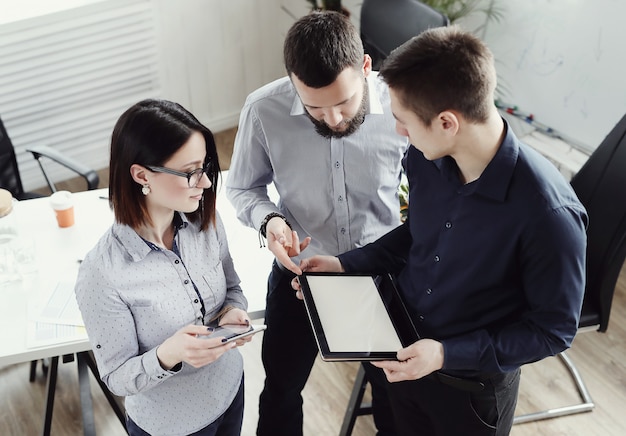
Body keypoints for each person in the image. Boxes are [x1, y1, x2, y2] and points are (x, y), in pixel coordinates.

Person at [293, 26, 588, 435]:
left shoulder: (549, 214)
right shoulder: (424, 155)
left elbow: (552, 331)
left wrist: (445, 354)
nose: (398, 131)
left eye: (403, 121)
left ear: (447, 122)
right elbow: (417, 234)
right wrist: (346, 264)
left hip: (468, 389)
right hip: (403, 353)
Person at [225, 11, 409, 436]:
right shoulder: (263, 110)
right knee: (281, 390)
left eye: (344, 102)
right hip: (300, 276)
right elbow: (242, 189)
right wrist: (268, 219)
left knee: (394, 395)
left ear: (366, 68)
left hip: (382, 275)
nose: (332, 119)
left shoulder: (403, 104)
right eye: (314, 107)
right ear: (293, 84)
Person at [75, 99, 254, 436]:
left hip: (230, 391)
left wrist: (233, 311)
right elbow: (116, 377)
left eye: (205, 167)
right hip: (171, 426)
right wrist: (168, 354)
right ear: (142, 175)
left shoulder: (206, 222)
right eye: (190, 172)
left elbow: (233, 288)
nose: (205, 183)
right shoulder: (102, 274)